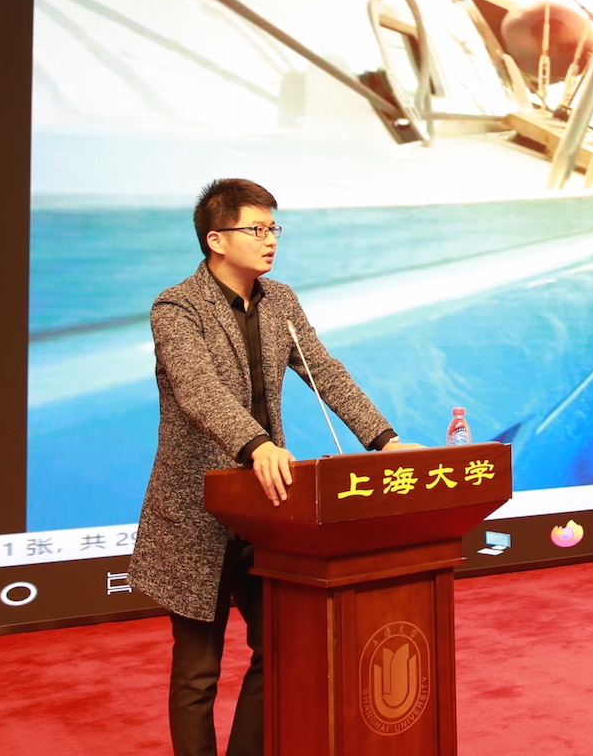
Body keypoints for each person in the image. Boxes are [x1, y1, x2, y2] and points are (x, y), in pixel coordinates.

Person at [129, 178, 416, 756]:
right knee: (198, 670)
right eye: (255, 229)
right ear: (216, 239)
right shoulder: (176, 307)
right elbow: (197, 390)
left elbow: (324, 371)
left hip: (268, 506)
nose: (270, 240)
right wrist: (256, 445)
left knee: (279, 647)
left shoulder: (280, 300)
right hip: (197, 510)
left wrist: (384, 441)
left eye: (273, 228)